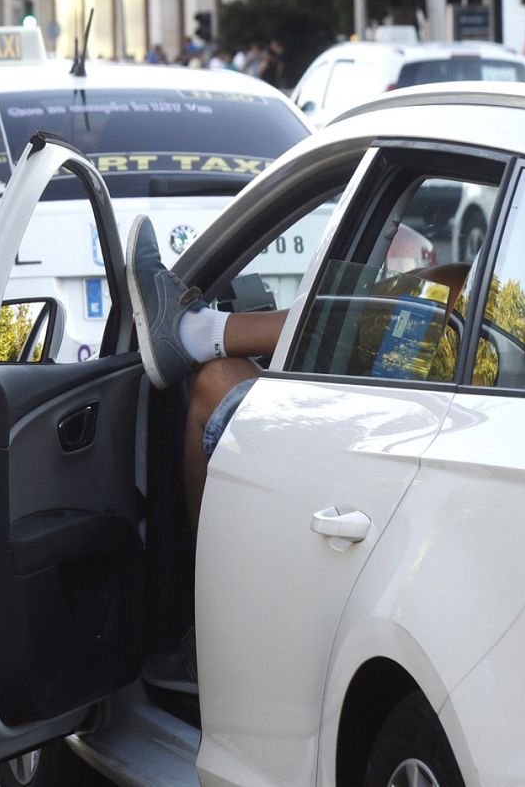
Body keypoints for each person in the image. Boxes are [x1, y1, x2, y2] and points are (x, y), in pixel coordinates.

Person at [123, 214, 470, 693]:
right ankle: (200, 333)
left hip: (395, 455)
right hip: (423, 430)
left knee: (452, 280)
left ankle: (197, 332)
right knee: (217, 380)